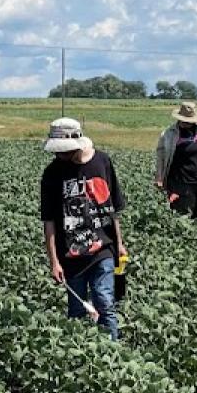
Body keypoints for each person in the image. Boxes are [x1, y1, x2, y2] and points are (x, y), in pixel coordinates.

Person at [39, 118, 125, 339]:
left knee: (105, 302)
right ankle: (79, 355)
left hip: (103, 246)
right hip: (70, 252)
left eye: (64, 152)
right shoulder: (51, 174)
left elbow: (113, 208)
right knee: (76, 312)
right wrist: (54, 262)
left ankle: (113, 355)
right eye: (57, 152)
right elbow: (49, 221)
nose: (60, 156)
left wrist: (120, 244)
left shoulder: (102, 162)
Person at [153, 101, 197, 222]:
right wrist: (159, 177)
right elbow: (161, 157)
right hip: (180, 182)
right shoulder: (169, 134)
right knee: (182, 217)